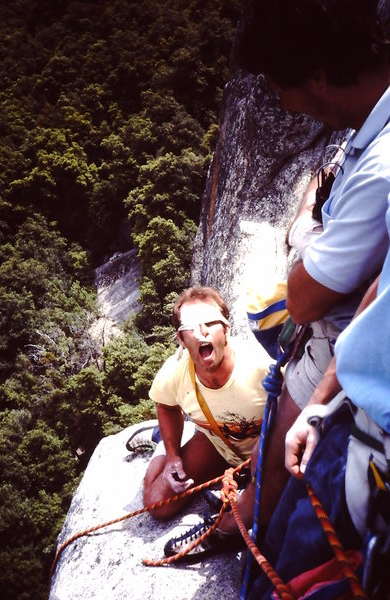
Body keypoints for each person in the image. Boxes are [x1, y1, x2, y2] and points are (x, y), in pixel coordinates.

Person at [163, 0, 390, 562]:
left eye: (279, 86)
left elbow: (305, 296)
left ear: (316, 74)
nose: (283, 102)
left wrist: (304, 236)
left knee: (275, 463)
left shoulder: (379, 164)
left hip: (337, 350)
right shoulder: (365, 136)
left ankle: (244, 541)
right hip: (347, 339)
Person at [141, 285, 272, 522]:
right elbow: (167, 406)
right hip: (216, 444)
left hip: (265, 450)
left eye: (210, 322)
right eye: (190, 327)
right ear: (181, 339)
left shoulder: (262, 365)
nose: (201, 332)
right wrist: (172, 456)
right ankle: (162, 441)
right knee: (157, 504)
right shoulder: (176, 372)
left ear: (226, 328)